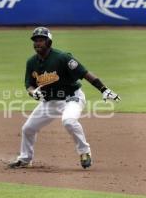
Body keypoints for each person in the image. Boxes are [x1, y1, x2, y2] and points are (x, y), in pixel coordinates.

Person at [8, 27, 120, 169]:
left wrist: (103, 89)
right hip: (49, 102)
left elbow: (84, 73)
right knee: (28, 128)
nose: (37, 43)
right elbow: (29, 84)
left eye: (41, 40)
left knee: (69, 121)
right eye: (35, 41)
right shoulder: (31, 62)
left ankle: (85, 152)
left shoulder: (62, 57)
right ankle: (25, 159)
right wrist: (33, 92)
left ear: (49, 42)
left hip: (71, 98)